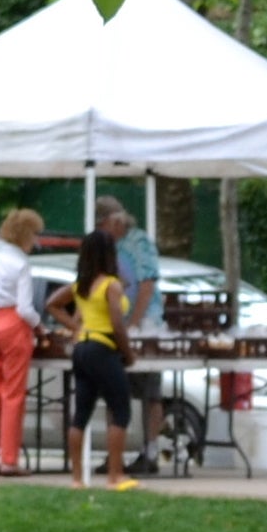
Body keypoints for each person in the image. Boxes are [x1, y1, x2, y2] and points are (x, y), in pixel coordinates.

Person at [47, 227, 139, 491]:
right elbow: (116, 324)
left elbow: (51, 303)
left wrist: (76, 328)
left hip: (82, 348)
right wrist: (128, 354)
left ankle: (77, 479)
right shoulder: (111, 285)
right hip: (103, 348)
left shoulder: (81, 286)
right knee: (120, 410)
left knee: (81, 414)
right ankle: (115, 476)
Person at [95, 194, 165, 469]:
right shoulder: (105, 246)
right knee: (113, 388)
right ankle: (116, 454)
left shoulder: (139, 243)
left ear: (115, 221)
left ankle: (150, 451)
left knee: (150, 391)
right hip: (115, 325)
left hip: (145, 324)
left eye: (103, 225)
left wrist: (134, 322)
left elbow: (146, 284)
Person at [0, 208, 41, 476]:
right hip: (13, 326)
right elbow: (25, 308)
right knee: (13, 395)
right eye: (35, 233)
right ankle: (9, 459)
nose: (36, 240)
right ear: (26, 234)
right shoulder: (21, 264)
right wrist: (40, 325)